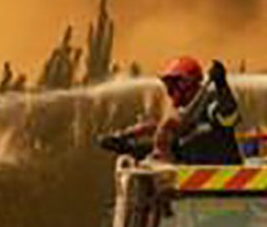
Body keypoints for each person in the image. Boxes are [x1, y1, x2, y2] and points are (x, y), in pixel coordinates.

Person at [102, 55, 243, 165]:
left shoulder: (210, 101)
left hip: (220, 173)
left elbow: (228, 116)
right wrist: (125, 141)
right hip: (195, 174)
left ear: (186, 84)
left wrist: (222, 85)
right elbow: (162, 132)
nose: (169, 92)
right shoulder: (188, 113)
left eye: (172, 85)